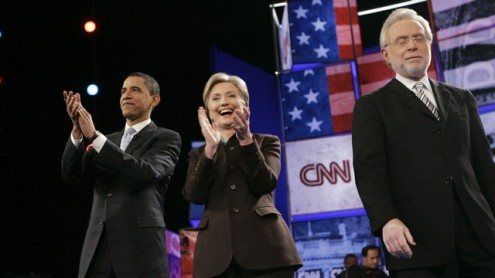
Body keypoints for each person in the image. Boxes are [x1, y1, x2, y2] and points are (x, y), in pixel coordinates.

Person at [352, 7, 495, 278]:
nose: (412, 45)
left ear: (429, 44)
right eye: (401, 40)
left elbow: (484, 168)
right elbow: (369, 173)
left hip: (480, 238)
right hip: (416, 242)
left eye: (418, 37)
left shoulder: (462, 98)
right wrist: (386, 221)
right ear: (386, 55)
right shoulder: (372, 107)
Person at [61, 72, 181, 278]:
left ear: (155, 99)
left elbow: (145, 173)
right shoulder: (106, 141)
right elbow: (71, 174)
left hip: (139, 251)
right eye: (123, 91)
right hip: (98, 249)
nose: (126, 95)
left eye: (135, 89)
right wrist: (77, 133)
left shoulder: (166, 138)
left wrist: (95, 137)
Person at [182, 72, 302, 277]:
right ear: (209, 111)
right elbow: (194, 195)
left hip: (267, 251)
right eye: (216, 98)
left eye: (231, 95)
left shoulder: (267, 142)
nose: (223, 102)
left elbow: (265, 183)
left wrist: (246, 140)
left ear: (245, 106)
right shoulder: (200, 154)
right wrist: (210, 149)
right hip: (216, 257)